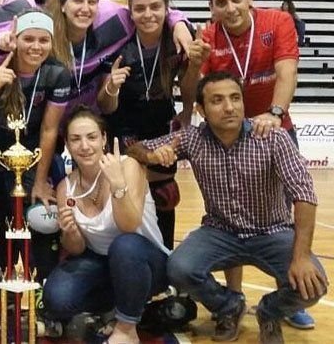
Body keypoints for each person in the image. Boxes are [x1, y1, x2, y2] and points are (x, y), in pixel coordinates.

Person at [127, 72, 328, 343]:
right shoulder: (192, 139)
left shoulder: (272, 138)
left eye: (235, 98)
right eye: (217, 100)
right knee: (179, 268)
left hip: (272, 231)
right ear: (201, 110)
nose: (229, 107)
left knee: (313, 285)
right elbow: (135, 149)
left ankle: (270, 312)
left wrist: (301, 257)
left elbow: (304, 194)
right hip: (220, 232)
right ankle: (229, 306)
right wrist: (151, 155)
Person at [187, 0, 315, 328]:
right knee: (228, 213)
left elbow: (287, 71)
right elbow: (195, 92)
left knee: (283, 216)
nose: (230, 8)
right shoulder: (208, 36)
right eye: (221, 3)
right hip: (229, 132)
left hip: (273, 128)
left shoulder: (278, 22)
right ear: (212, 8)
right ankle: (233, 299)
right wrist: (194, 62)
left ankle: (288, 296)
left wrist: (275, 113)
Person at [0, 10, 70, 306]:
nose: (36, 47)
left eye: (43, 40)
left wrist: (42, 180)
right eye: (28, 39)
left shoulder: (57, 73)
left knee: (43, 217)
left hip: (28, 155)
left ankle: (40, 281)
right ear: (15, 40)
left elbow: (49, 129)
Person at [42, 106, 170, 344]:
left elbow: (129, 225)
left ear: (104, 139)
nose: (85, 146)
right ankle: (120, 303)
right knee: (57, 299)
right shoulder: (65, 188)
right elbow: (77, 248)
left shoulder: (128, 166)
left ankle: (127, 328)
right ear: (67, 145)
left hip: (145, 260)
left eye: (91, 137)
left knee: (125, 245)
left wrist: (118, 185)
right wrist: (69, 232)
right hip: (103, 263)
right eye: (75, 139)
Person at [97, 0, 198, 250]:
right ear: (130, 13)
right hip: (123, 125)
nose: (148, 14)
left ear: (167, 9)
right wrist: (112, 88)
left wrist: (188, 112)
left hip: (161, 122)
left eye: (155, 7)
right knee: (125, 192)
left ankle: (164, 257)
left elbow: (189, 81)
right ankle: (122, 256)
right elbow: (105, 105)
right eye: (140, 9)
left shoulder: (178, 38)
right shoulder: (119, 44)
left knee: (165, 194)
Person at [42, 0, 192, 119]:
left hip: (90, 119)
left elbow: (149, 10)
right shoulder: (43, 32)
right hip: (51, 116)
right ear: (62, 5)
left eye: (92, 2)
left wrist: (177, 22)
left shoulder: (115, 21)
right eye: (78, 1)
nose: (85, 8)